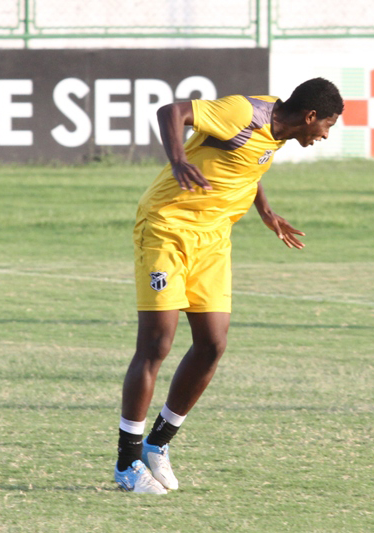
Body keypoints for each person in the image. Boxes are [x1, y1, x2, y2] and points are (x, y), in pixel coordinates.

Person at [114, 78, 344, 494]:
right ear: (310, 116)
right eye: (326, 125)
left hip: (214, 238)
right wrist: (180, 160)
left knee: (213, 345)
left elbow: (247, 165)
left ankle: (157, 444)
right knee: (156, 343)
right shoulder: (243, 112)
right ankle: (126, 461)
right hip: (168, 228)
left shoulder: (280, 129)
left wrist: (266, 210)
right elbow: (171, 112)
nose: (325, 135)